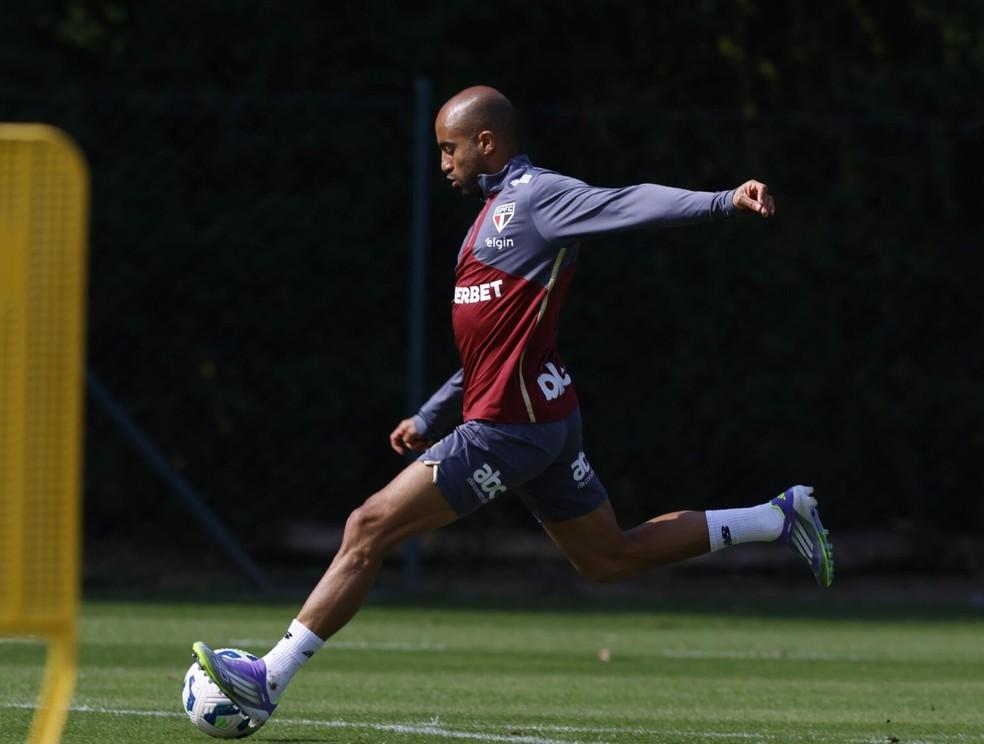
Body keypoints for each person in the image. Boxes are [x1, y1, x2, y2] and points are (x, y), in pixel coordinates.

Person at [192, 85, 832, 726]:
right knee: (608, 556)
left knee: (368, 526)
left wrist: (723, 200)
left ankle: (268, 677)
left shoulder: (537, 197)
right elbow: (490, 339)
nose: (443, 162)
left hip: (509, 428)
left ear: (486, 143)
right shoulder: (492, 211)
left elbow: (627, 202)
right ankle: (777, 518)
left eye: (450, 148)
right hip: (545, 419)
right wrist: (433, 412)